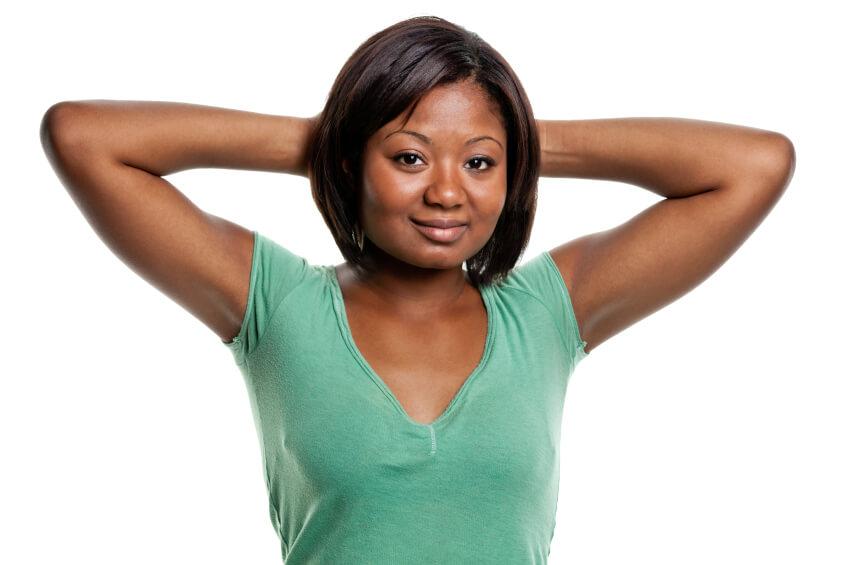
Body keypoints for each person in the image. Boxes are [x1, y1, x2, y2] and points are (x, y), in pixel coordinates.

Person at [40, 15, 794, 565]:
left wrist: (511, 135)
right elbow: (84, 137)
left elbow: (753, 165)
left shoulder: (546, 312)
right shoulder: (276, 302)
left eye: (479, 164)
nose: (446, 192)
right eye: (408, 157)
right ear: (351, 164)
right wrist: (333, 134)